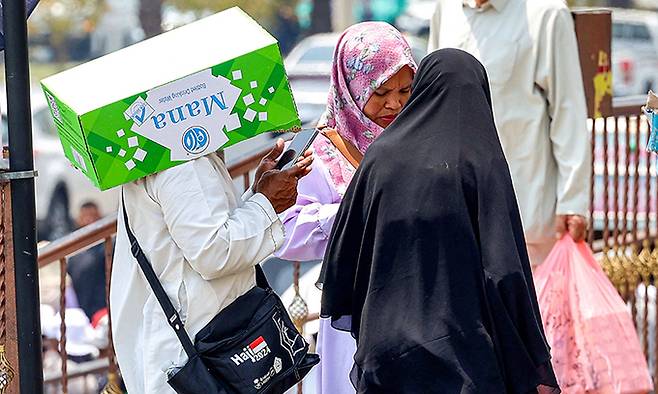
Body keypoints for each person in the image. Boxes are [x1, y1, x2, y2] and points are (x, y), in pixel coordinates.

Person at [320, 49, 559, 393]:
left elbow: (343, 260)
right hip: (465, 359)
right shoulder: (481, 163)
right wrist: (534, 358)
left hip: (387, 357)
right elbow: (505, 270)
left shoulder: (380, 158)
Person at [275, 22, 417, 394]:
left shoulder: (419, 139)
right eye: (380, 91)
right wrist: (351, 214)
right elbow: (286, 232)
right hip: (352, 313)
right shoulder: (317, 152)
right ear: (351, 88)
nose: (395, 104)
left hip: (416, 304)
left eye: (405, 90)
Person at [110, 144, 313, 394]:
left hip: (201, 343)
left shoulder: (161, 151)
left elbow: (202, 230)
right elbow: (214, 252)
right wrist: (266, 203)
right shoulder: (182, 161)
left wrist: (259, 194)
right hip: (202, 347)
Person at [428, 0, 591, 265]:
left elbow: (568, 112)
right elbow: (433, 99)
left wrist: (573, 201)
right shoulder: (445, 10)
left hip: (526, 215)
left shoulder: (547, 14)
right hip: (457, 210)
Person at [67, 202, 107, 321]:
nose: (90, 220)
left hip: (102, 306)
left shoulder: (109, 245)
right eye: (85, 216)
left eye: (94, 216)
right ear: (78, 220)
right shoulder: (72, 248)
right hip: (80, 305)